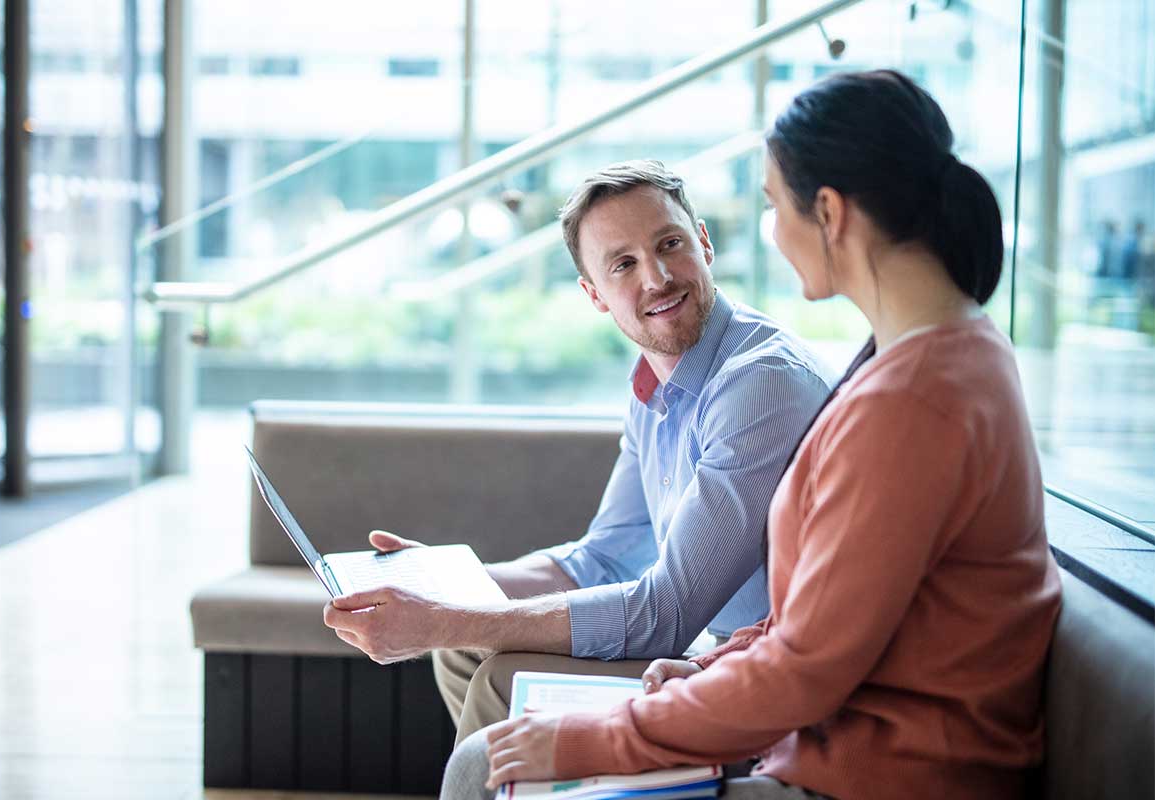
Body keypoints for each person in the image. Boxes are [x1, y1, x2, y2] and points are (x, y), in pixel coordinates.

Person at [441, 70, 1062, 800]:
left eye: (772, 204)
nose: (771, 231)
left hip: (867, 776)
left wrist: (590, 737)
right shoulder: (927, 363)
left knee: (483, 765)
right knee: (488, 728)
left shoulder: (912, 402)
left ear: (827, 212)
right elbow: (816, 623)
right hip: (820, 740)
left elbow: (804, 666)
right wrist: (716, 664)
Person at [324, 161, 831, 743]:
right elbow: (604, 560)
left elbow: (666, 614)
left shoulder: (759, 384)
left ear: (705, 243)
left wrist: (442, 620)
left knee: (493, 670)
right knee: (460, 652)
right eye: (624, 264)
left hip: (760, 664)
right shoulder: (653, 387)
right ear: (594, 294)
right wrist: (443, 588)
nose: (658, 277)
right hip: (706, 647)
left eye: (671, 244)